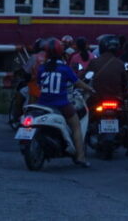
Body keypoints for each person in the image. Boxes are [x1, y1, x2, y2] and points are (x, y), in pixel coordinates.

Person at [37, 37, 94, 167]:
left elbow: (39, 84)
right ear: (61, 52)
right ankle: (80, 156)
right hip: (61, 104)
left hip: (43, 103)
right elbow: (78, 83)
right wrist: (89, 88)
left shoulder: (42, 68)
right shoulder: (64, 68)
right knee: (76, 126)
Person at [86, 35, 128, 156]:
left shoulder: (94, 62)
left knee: (84, 117)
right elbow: (125, 83)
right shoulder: (119, 63)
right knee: (127, 120)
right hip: (116, 99)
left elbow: (85, 78)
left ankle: (81, 145)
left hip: (97, 98)